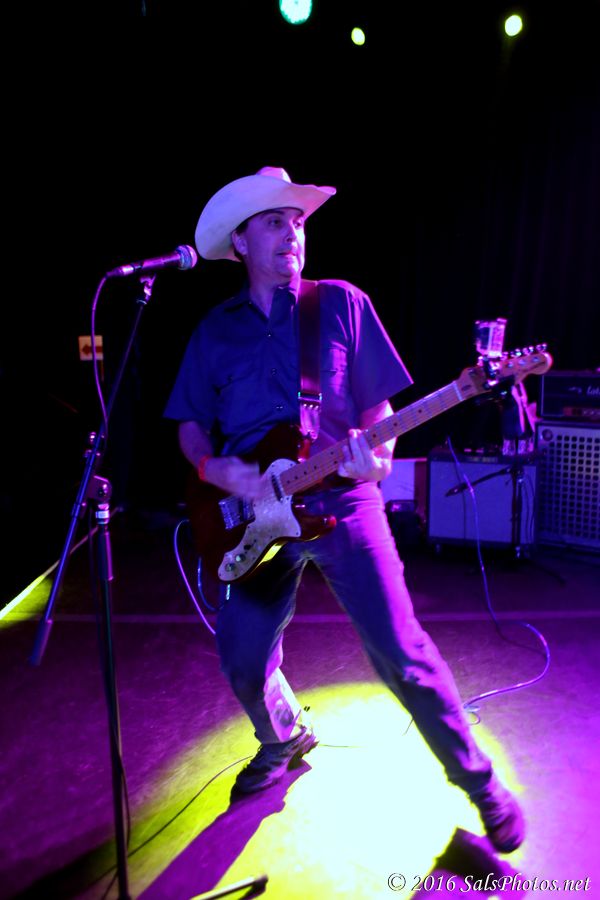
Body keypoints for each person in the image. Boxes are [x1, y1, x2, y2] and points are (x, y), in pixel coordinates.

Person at [164, 166, 525, 853]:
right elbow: (187, 425)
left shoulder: (340, 303)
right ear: (239, 241)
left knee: (403, 655)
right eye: (274, 222)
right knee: (241, 658)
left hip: (344, 501)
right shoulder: (213, 331)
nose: (292, 234)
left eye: (298, 221)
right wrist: (215, 469)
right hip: (252, 517)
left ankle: (482, 786)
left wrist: (378, 462)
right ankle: (284, 737)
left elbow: (379, 413)